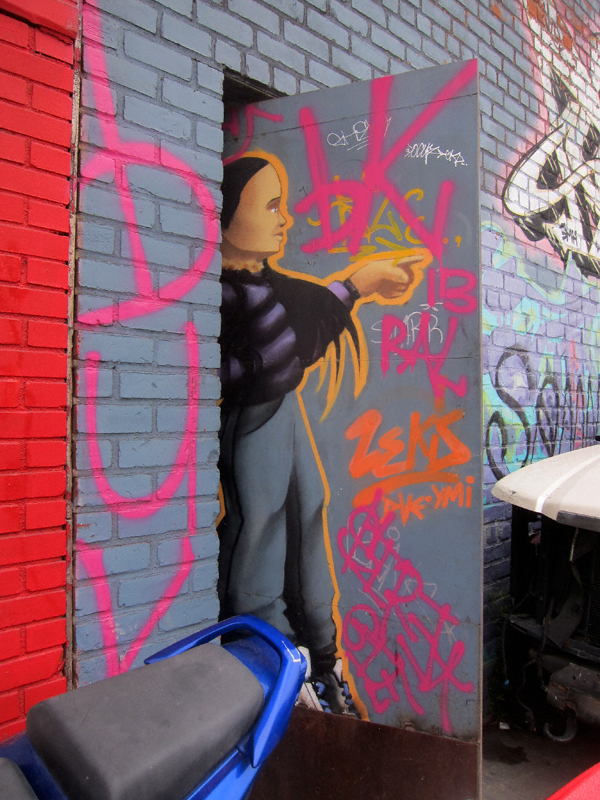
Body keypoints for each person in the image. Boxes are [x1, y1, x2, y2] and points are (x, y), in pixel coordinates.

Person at [218, 153, 429, 715]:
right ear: (225, 215)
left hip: (281, 408)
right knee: (261, 530)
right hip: (254, 419)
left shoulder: (264, 284)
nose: (284, 218)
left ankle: (321, 658)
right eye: (270, 206)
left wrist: (360, 283)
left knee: (309, 512)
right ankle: (274, 665)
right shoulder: (220, 297)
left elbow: (307, 318)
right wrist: (354, 287)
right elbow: (274, 348)